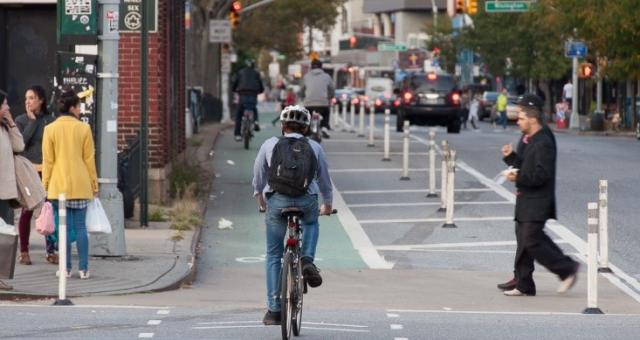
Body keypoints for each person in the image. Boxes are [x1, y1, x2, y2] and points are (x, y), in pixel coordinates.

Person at [252, 105, 333, 325]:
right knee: (311, 223)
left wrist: (261, 201)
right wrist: (327, 204)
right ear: (306, 127)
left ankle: (275, 310)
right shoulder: (315, 147)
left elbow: (258, 177)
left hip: (277, 202)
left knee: (273, 255)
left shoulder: (269, 144)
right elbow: (324, 180)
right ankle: (307, 260)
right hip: (306, 200)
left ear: (282, 125)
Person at [498, 94, 579, 296]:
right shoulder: (528, 137)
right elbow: (523, 165)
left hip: (538, 200)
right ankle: (524, 282)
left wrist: (517, 178)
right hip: (526, 198)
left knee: (532, 239)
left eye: (521, 116)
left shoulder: (543, 141)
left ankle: (567, 269)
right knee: (524, 238)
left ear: (532, 118)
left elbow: (541, 175)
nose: (518, 121)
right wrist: (510, 158)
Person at [42, 90, 98, 279]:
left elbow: (48, 161)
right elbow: (89, 160)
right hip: (81, 184)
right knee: (81, 227)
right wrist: (94, 184)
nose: (80, 110)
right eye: (78, 106)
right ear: (73, 107)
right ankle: (84, 269)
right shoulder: (84, 129)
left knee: (63, 228)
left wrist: (46, 185)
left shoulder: (50, 129)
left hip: (58, 186)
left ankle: (65, 268)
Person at [14, 85, 56, 265]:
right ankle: (24, 251)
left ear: (41, 100)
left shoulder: (50, 120)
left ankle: (51, 251)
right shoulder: (21, 120)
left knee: (47, 211)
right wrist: (31, 122)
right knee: (27, 211)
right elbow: (21, 143)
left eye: (32, 98)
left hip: (47, 170)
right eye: (26, 98)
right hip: (29, 171)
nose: (28, 101)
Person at [0, 89, 25, 291]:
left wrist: (11, 122)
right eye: (5, 104)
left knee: (4, 234)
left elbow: (19, 146)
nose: (8, 107)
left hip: (5, 191)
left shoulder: (5, 127)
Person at [301, 59, 335, 139]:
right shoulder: (327, 76)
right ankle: (324, 127)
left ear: (311, 67)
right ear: (321, 67)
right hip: (323, 103)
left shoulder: (306, 76)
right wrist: (330, 96)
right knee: (326, 113)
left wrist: (303, 96)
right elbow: (332, 89)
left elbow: (302, 89)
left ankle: (307, 130)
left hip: (308, 103)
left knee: (307, 116)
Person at [232, 59, 264, 141]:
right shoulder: (256, 73)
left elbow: (235, 83)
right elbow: (260, 85)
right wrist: (259, 91)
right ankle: (256, 122)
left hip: (242, 95)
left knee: (239, 114)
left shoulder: (240, 72)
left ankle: (237, 134)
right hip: (253, 95)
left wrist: (234, 89)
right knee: (254, 108)